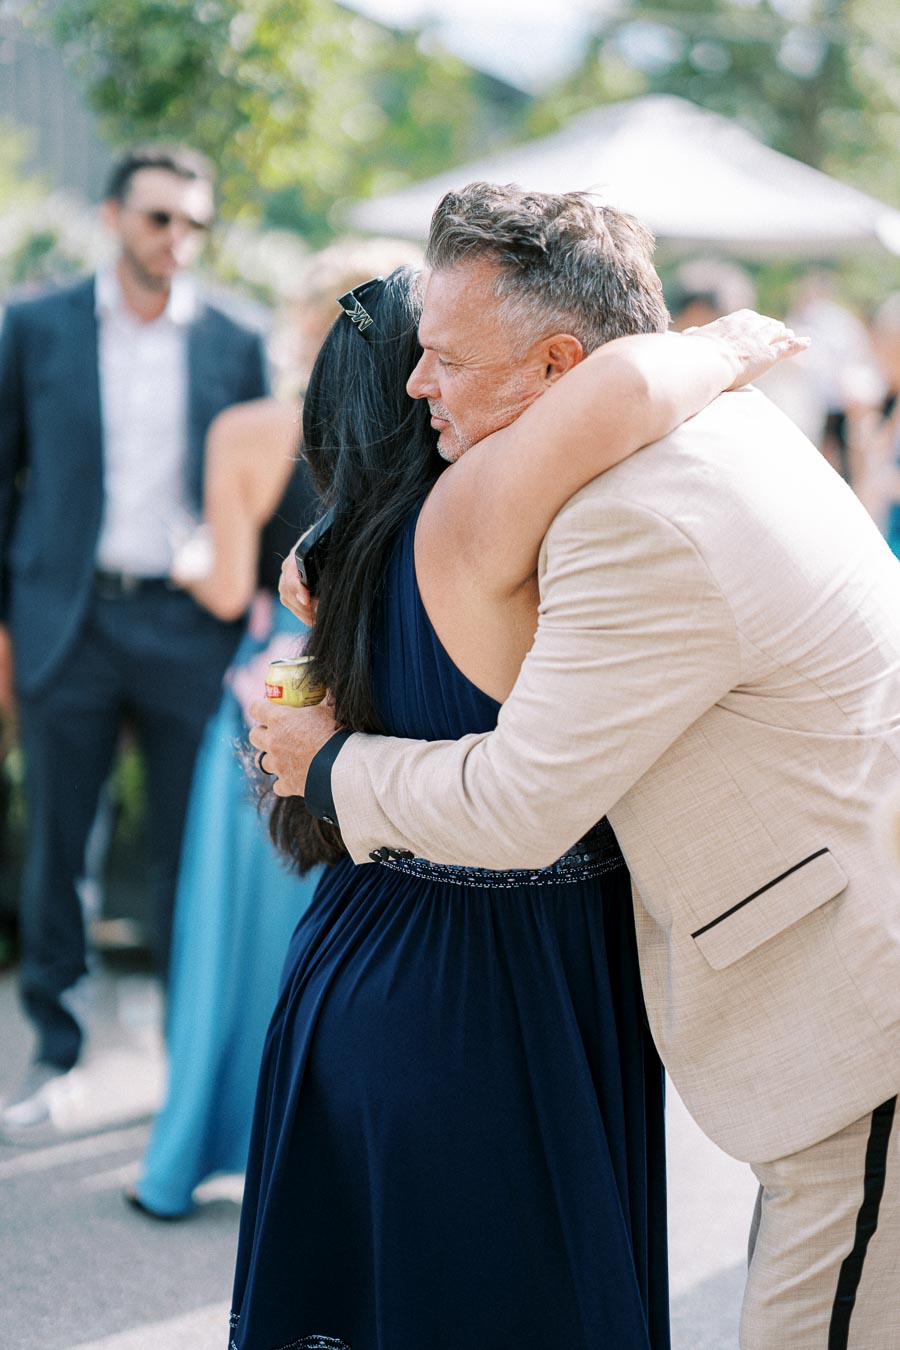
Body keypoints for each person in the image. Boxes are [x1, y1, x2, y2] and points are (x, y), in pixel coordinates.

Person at [262, 185, 900, 1350]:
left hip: (860, 1018)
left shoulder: (619, 515)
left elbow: (517, 801)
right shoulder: (725, 421)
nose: (420, 382)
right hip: (551, 994)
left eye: (445, 357)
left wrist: (332, 764)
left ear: (561, 366)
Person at [0, 144, 268, 1132]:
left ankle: (179, 1073)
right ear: (113, 219)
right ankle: (58, 1057)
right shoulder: (34, 327)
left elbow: (265, 487)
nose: (178, 239)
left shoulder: (237, 336)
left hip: (187, 627)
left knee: (185, 852)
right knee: (60, 846)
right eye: (160, 218)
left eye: (194, 222)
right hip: (64, 620)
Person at [125, 398, 322, 1218]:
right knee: (326, 932)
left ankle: (186, 1158)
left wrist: (186, 560)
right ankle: (312, 1165)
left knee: (229, 926)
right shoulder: (425, 426)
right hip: (368, 680)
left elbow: (228, 585)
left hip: (273, 681)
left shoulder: (250, 432)